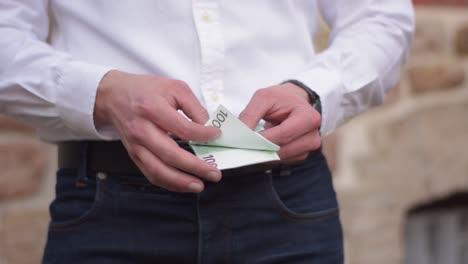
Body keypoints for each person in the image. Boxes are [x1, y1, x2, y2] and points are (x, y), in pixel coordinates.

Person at [0, 1, 414, 263]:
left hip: (287, 203)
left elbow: (381, 16)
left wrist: (317, 94)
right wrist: (102, 93)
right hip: (111, 204)